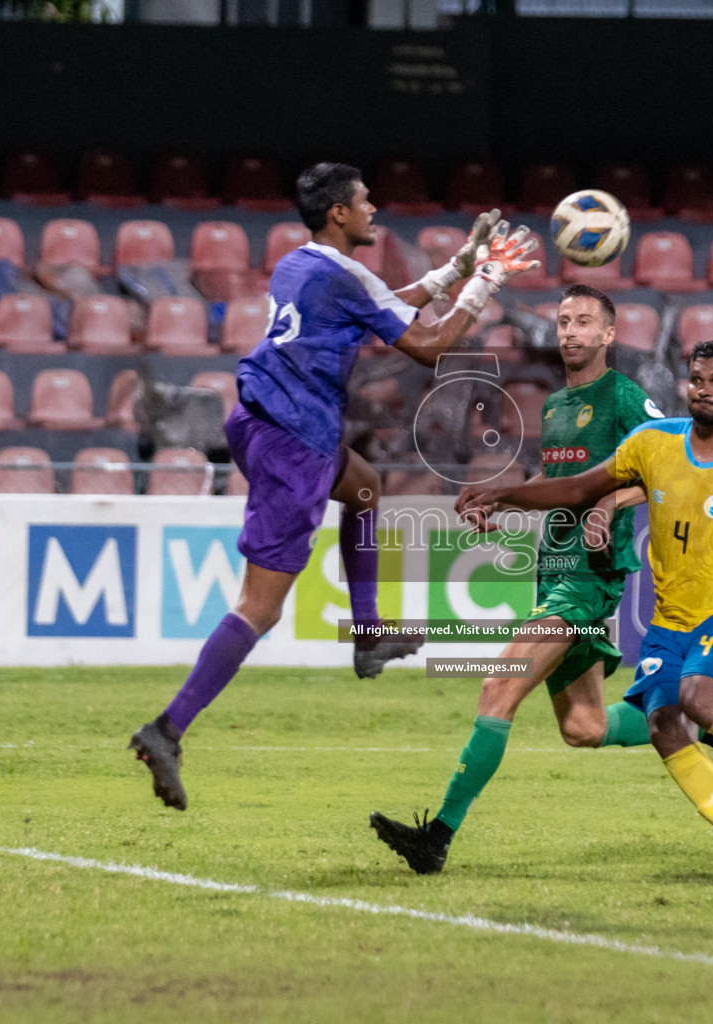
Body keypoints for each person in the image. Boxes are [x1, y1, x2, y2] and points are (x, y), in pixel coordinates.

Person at [129, 163, 539, 811]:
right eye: (365, 202)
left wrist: (456, 266)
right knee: (259, 609)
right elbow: (428, 346)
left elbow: (375, 304)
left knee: (366, 487)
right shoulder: (344, 275)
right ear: (340, 215)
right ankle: (167, 728)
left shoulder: (300, 265)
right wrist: (486, 280)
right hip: (293, 442)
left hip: (266, 423)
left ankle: (369, 632)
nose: (374, 211)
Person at [369, 286, 713, 875]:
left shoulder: (625, 399)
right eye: (563, 321)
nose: (570, 331)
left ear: (608, 335)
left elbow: (671, 468)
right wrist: (503, 507)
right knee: (584, 727)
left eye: (584, 322)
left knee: (496, 689)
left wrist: (612, 504)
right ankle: (708, 728)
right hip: (552, 571)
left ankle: (437, 838)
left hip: (588, 579)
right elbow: (563, 490)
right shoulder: (554, 409)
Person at [455, 339, 713, 886]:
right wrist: (505, 495)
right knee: (665, 724)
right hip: (670, 622)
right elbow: (577, 487)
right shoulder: (652, 442)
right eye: (697, 380)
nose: (705, 390)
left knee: (697, 698)